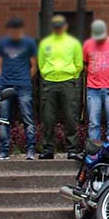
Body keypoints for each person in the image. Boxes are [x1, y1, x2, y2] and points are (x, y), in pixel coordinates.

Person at [37, 14, 83, 159]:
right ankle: (48, 149)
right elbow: (41, 62)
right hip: (49, 82)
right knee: (48, 117)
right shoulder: (46, 43)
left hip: (68, 82)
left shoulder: (73, 43)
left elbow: (79, 63)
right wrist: (46, 74)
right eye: (55, 26)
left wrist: (72, 75)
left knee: (71, 117)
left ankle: (72, 149)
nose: (58, 29)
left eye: (60, 26)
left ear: (65, 26)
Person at [0, 17, 37, 160]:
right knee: (3, 119)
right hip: (5, 84)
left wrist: (26, 79)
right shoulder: (2, 43)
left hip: (23, 85)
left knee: (27, 118)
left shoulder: (29, 43)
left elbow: (34, 66)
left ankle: (31, 150)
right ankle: (4, 151)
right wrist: (1, 80)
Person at [82, 19, 109, 143]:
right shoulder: (87, 45)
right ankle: (94, 151)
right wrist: (92, 73)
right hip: (93, 89)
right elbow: (85, 64)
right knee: (93, 122)